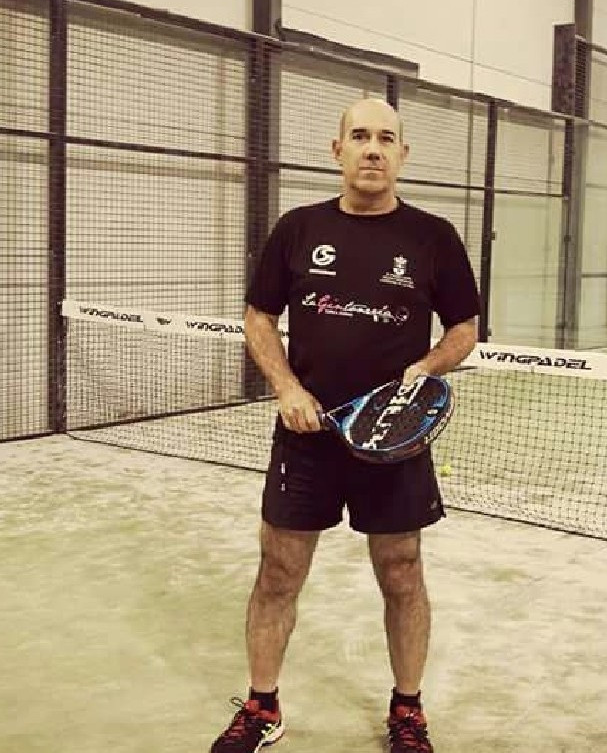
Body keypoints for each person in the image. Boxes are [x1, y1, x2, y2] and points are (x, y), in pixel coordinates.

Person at [210, 98, 480, 753]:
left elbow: (464, 328)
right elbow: (257, 317)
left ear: (402, 155)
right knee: (278, 570)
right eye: (359, 136)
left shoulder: (433, 237)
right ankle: (262, 705)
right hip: (306, 438)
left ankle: (407, 710)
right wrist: (287, 387)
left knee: (402, 571)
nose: (372, 149)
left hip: (392, 439)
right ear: (337, 150)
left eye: (386, 138)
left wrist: (426, 367)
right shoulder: (298, 229)